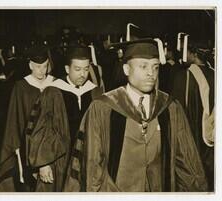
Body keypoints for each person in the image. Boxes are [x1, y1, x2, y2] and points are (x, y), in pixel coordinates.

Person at [64, 38, 207, 192]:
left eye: (155, 67)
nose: (151, 73)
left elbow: (186, 161)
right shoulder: (102, 108)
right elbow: (91, 164)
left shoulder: (170, 107)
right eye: (143, 66)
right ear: (126, 69)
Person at [24, 46, 102, 192]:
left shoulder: (94, 92)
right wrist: (43, 164)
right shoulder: (52, 92)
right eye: (77, 69)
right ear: (67, 69)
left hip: (88, 159)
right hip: (59, 161)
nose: (83, 74)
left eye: (86, 69)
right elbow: (40, 128)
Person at [0, 45, 54, 191]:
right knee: (30, 184)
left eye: (45, 66)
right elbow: (14, 118)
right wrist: (15, 143)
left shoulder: (55, 84)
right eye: (37, 66)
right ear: (30, 65)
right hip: (28, 143)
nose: (41, 71)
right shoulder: (21, 87)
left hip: (52, 144)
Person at [171, 40, 215, 191]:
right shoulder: (214, 72)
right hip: (211, 133)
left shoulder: (185, 76)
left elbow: (176, 109)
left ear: (193, 54)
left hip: (192, 132)